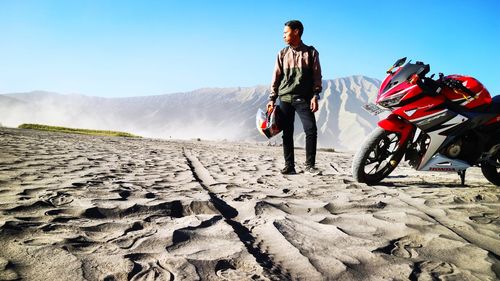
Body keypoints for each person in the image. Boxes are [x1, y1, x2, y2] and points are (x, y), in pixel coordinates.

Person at [267, 20, 323, 175]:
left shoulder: (311, 53)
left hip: (303, 98)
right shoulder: (282, 54)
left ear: (296, 32)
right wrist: (272, 99)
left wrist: (315, 95)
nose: (283, 36)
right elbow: (276, 77)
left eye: (286, 32)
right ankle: (289, 166)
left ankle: (310, 166)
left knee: (311, 130)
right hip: (284, 98)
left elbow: (317, 76)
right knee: (287, 133)